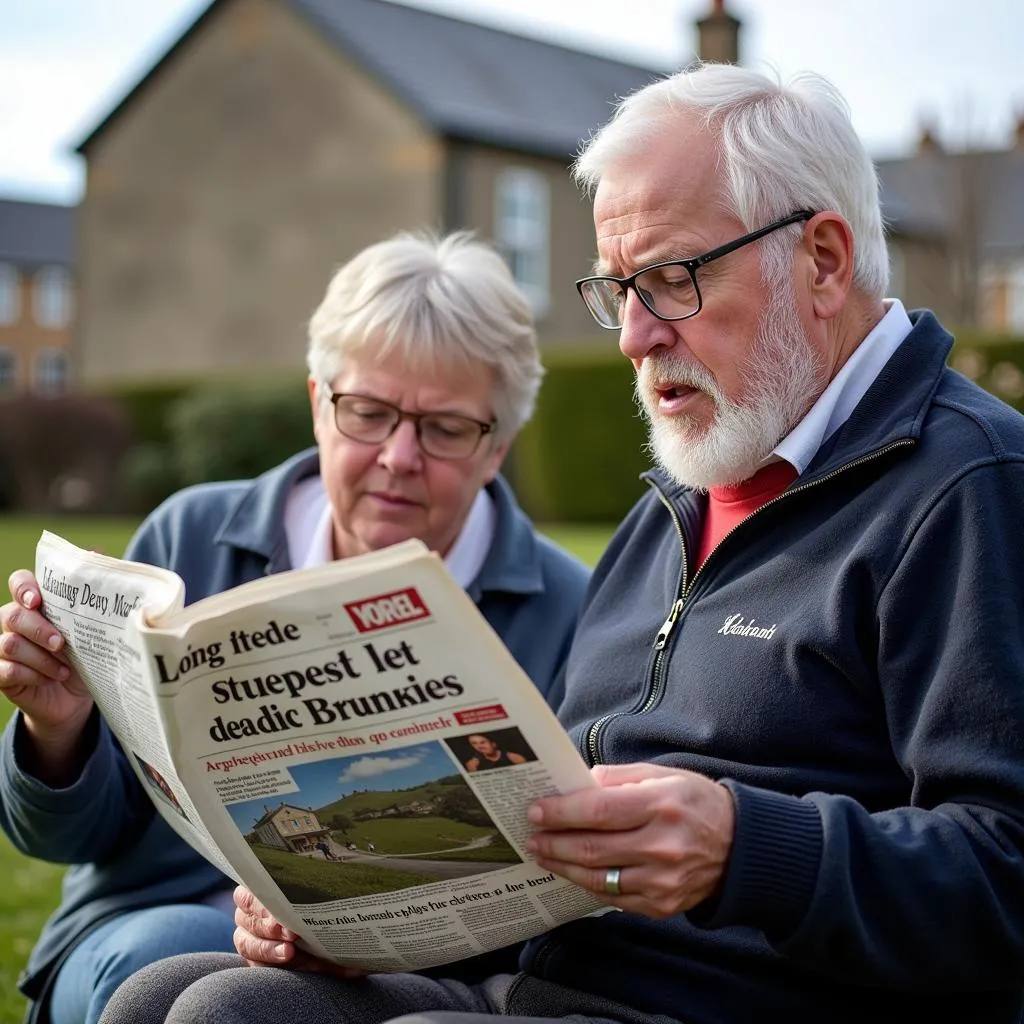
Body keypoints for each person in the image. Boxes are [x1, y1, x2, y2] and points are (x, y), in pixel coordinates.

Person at [97, 61, 1024, 1024]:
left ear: (823, 261)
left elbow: (1004, 873)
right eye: (619, 289)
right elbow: (549, 846)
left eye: (669, 280)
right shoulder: (675, 499)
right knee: (164, 996)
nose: (631, 337)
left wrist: (747, 849)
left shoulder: (968, 487)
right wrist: (351, 901)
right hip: (546, 980)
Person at [0, 231, 591, 1024]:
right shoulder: (191, 537)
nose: (398, 456)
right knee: (169, 959)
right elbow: (69, 837)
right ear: (319, 402)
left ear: (498, 449)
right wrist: (56, 726)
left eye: (446, 429)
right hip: (150, 922)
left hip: (406, 973)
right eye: (369, 413)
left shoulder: (571, 604)